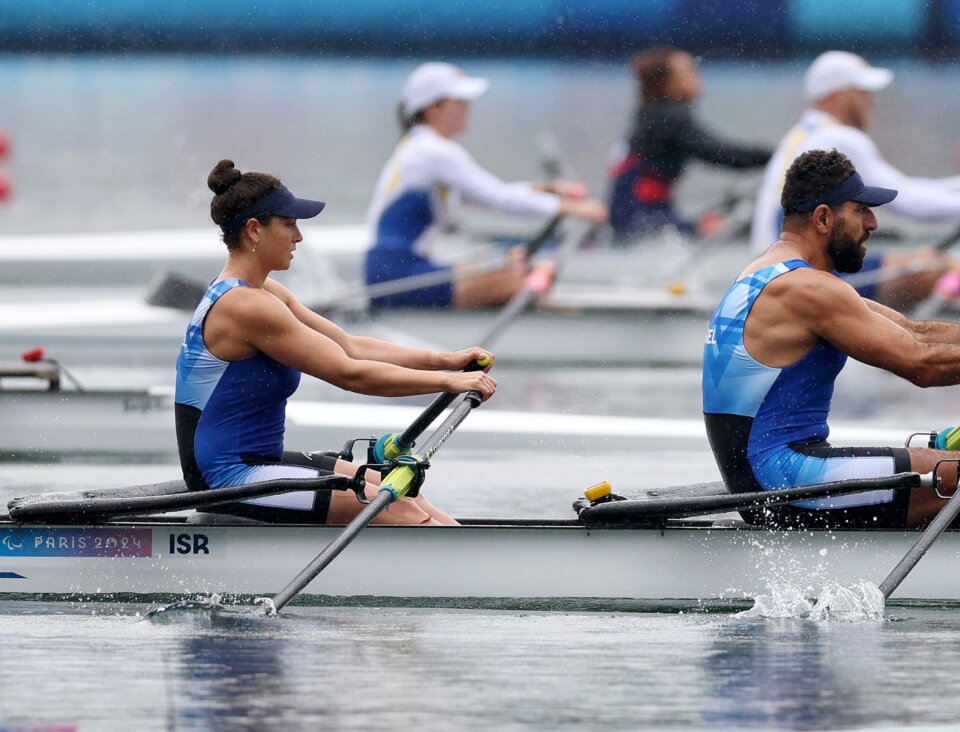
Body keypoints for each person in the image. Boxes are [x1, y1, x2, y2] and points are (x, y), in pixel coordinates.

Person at [705, 149, 960, 531]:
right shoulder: (806, 290)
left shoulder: (770, 273)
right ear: (823, 217)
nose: (872, 222)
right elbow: (922, 364)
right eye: (860, 210)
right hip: (784, 481)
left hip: (770, 478)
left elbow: (915, 331)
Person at [178, 160, 499, 526]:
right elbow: (350, 374)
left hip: (261, 460)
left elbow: (349, 346)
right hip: (228, 477)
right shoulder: (244, 306)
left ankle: (481, 568)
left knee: (403, 490)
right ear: (254, 230)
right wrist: (450, 383)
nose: (298, 237)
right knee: (392, 504)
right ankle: (473, 576)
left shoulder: (266, 292)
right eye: (289, 224)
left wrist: (444, 361)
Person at [750, 51, 960, 310]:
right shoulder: (840, 139)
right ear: (840, 96)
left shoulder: (804, 133)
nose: (871, 101)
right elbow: (907, 202)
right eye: (863, 93)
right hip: (797, 277)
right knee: (938, 271)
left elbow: (902, 187)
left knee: (931, 261)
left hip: (777, 267)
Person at [364, 62, 607, 310]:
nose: (468, 108)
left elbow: (491, 194)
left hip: (393, 270)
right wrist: (575, 209)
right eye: (460, 101)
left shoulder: (419, 147)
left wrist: (548, 191)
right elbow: (500, 199)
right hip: (397, 275)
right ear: (432, 108)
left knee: (519, 269)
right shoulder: (433, 152)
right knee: (520, 275)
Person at [609, 46, 772, 240]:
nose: (698, 76)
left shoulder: (653, 112)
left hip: (637, 214)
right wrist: (780, 154)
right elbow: (724, 154)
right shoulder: (670, 118)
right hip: (640, 219)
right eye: (690, 70)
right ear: (666, 83)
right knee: (736, 229)